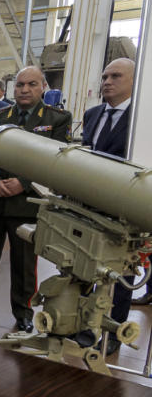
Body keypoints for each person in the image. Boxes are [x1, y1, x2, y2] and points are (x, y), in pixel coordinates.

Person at [0, 67, 71, 333]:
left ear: (43, 86)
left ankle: (23, 312)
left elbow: (56, 162)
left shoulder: (57, 119)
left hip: (28, 204)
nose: (24, 89)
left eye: (31, 84)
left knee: (24, 267)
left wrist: (22, 183)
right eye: (20, 84)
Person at [82, 57, 136, 354]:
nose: (107, 82)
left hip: (122, 209)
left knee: (120, 270)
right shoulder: (92, 115)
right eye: (104, 76)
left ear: (133, 81)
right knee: (85, 263)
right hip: (89, 206)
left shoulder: (142, 119)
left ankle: (112, 329)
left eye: (115, 76)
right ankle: (85, 323)